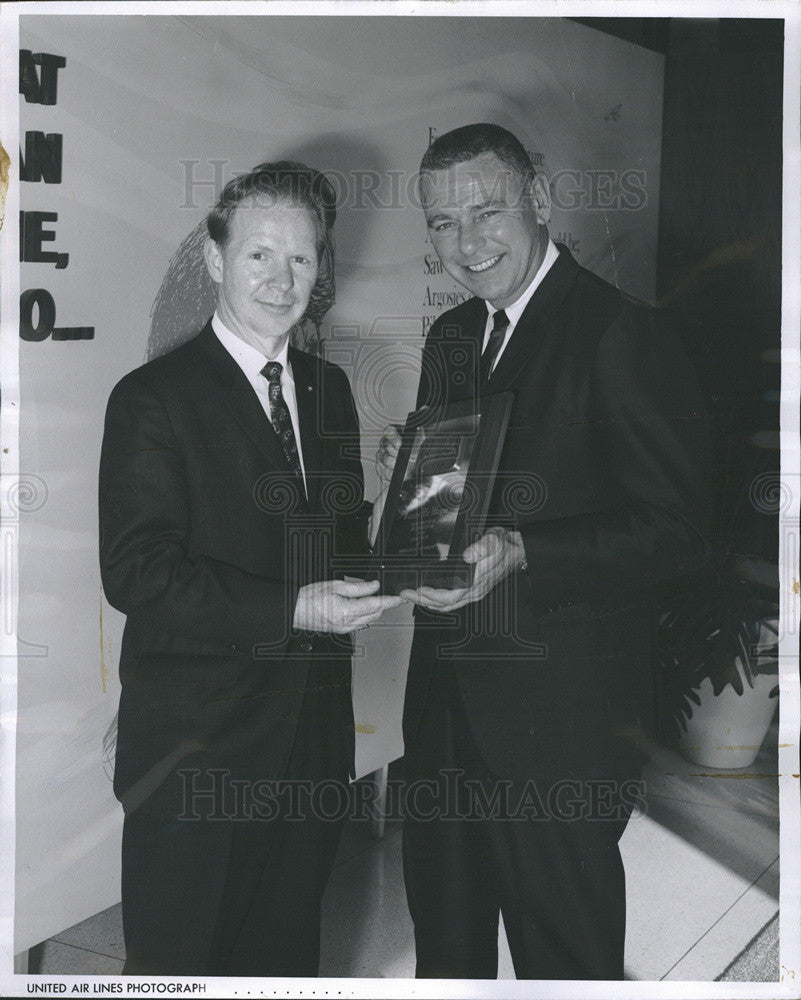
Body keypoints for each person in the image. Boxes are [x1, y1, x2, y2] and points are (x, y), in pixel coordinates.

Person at [376, 123, 711, 979]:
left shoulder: (617, 330)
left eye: (486, 212)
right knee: (446, 953)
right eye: (444, 225)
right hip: (446, 702)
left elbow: (679, 529)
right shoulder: (455, 335)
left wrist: (524, 549)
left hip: (560, 724)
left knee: (564, 960)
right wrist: (412, 499)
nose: (467, 243)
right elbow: (449, 496)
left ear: (541, 202)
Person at [100, 161, 401, 976]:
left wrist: (408, 499)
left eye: (301, 259)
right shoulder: (152, 397)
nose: (280, 279)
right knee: (178, 966)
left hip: (309, 744)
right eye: (260, 254)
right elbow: (137, 573)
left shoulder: (331, 391)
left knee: (284, 960)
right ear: (215, 258)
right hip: (196, 756)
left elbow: (339, 558)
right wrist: (295, 610)